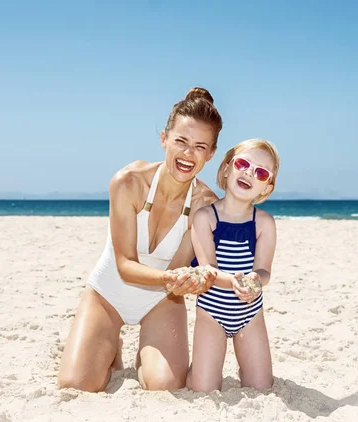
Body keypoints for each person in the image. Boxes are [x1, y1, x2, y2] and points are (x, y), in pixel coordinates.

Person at [58, 87, 222, 392]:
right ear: (164, 139)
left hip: (161, 298)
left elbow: (181, 270)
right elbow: (124, 265)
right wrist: (172, 278)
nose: (188, 154)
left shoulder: (204, 205)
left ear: (211, 153)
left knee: (165, 386)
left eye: (200, 147)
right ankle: (112, 347)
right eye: (181, 142)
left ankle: (145, 353)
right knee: (76, 384)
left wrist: (193, 279)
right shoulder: (128, 182)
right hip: (110, 290)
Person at [186, 138, 280, 392]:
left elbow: (264, 270)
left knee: (260, 386)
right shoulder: (205, 217)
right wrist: (235, 282)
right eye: (242, 163)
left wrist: (255, 280)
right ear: (227, 167)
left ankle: (246, 364)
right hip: (211, 312)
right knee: (203, 389)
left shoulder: (264, 223)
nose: (249, 172)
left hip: (249, 315)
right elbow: (208, 270)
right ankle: (196, 370)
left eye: (260, 173)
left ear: (265, 187)